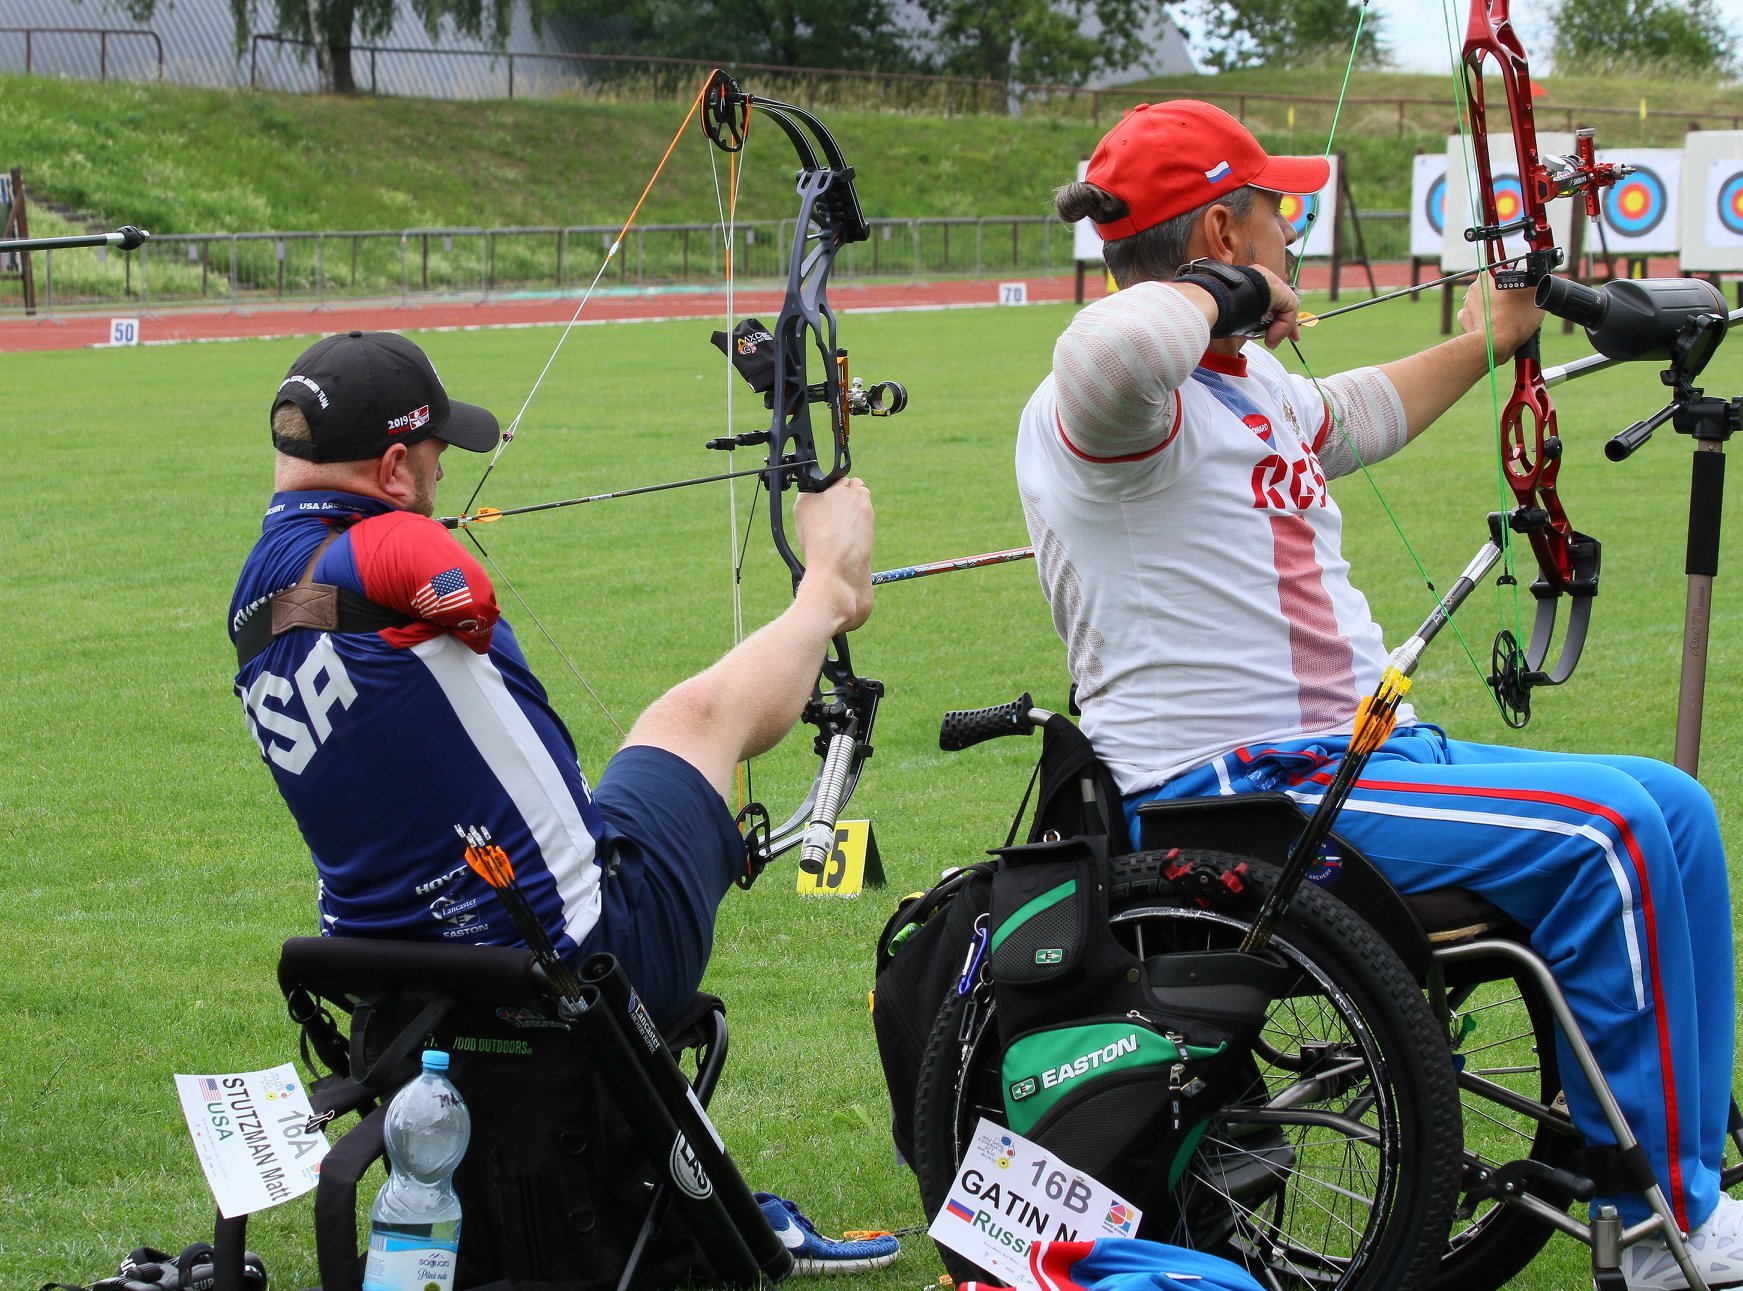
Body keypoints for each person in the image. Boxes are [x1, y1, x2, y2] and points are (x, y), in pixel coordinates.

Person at [1016, 101, 1739, 1291]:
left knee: (1673, 808)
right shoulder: (1112, 411)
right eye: (1275, 214)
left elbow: (1358, 411)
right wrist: (1233, 291)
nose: (1292, 235)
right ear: (1221, 227)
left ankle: (1686, 1175)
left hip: (1359, 761)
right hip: (1241, 795)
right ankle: (1660, 1226)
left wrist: (1490, 339)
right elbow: (1104, 347)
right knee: (1607, 841)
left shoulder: (1244, 392)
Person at [229, 329, 897, 1273]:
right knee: (693, 719)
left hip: (400, 986)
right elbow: (444, 579)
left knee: (649, 745)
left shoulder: (256, 601)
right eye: (432, 459)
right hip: (585, 958)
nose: (439, 475)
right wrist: (422, 566)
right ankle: (830, 588)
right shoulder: (376, 548)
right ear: (389, 467)